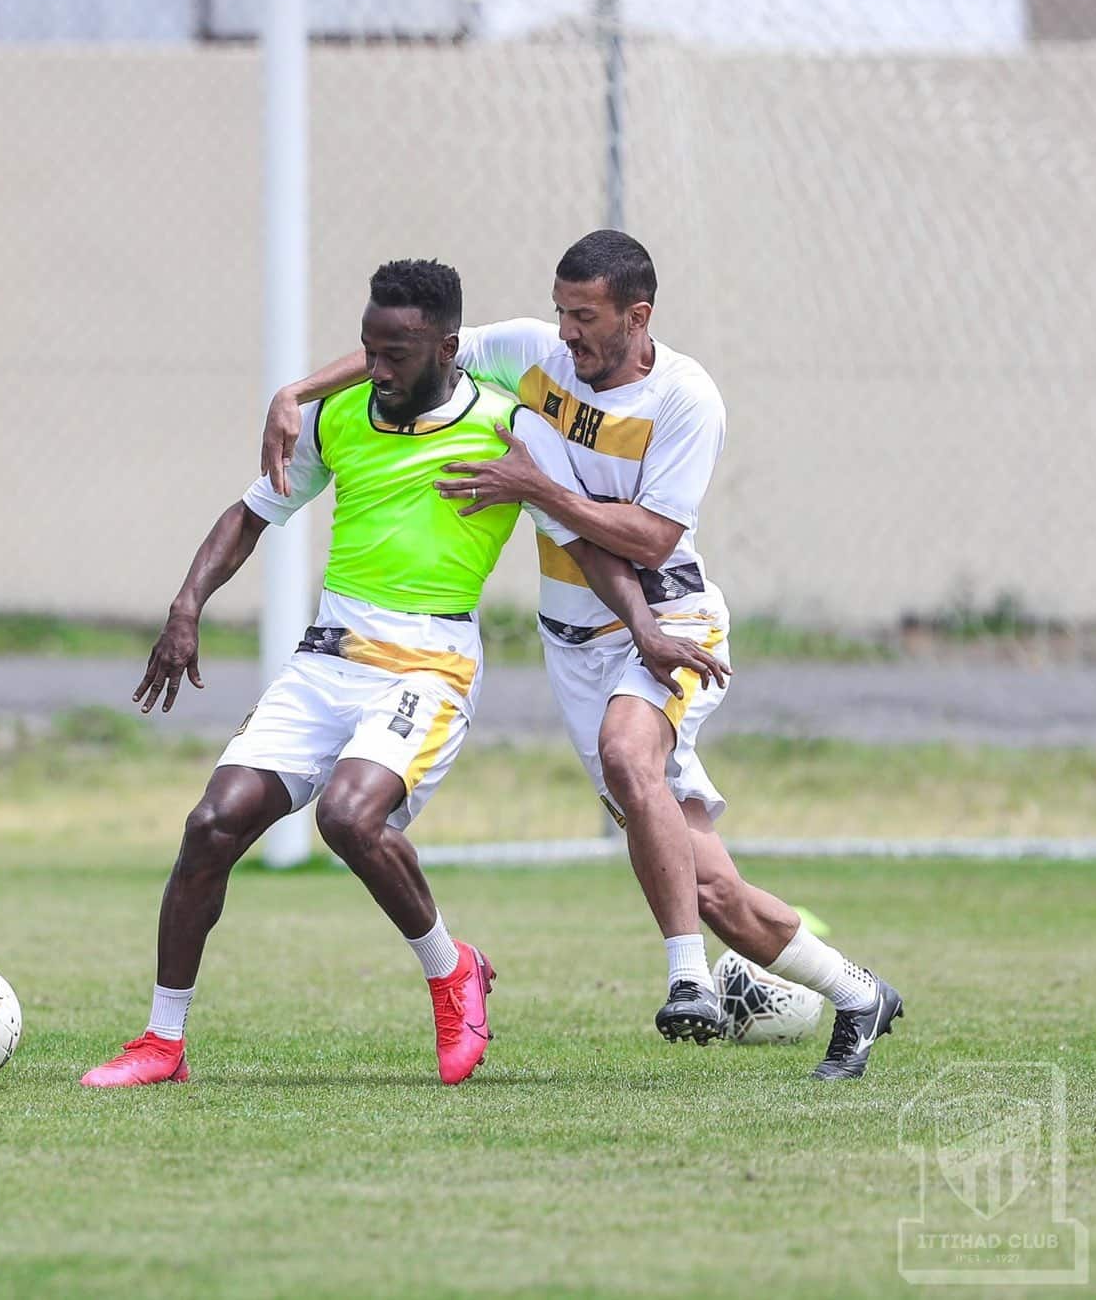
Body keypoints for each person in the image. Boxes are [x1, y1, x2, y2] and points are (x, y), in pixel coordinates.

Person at [260, 231, 903, 1079]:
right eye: (562, 312)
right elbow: (406, 352)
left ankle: (687, 982)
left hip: (668, 624)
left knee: (626, 752)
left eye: (586, 317)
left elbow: (650, 534)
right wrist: (296, 391)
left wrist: (539, 487)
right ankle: (861, 995)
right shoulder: (533, 351)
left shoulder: (685, 400)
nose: (567, 333)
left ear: (638, 317)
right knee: (714, 890)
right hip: (574, 647)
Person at [80, 258, 719, 1089]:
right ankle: (162, 1044)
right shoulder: (340, 415)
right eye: (368, 349)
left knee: (349, 817)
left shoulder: (506, 425)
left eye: (397, 355)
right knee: (211, 827)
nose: (378, 369)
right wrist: (186, 606)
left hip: (430, 664)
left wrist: (647, 630)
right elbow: (252, 513)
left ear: (449, 349)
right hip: (328, 657)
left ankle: (451, 973)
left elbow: (584, 541)